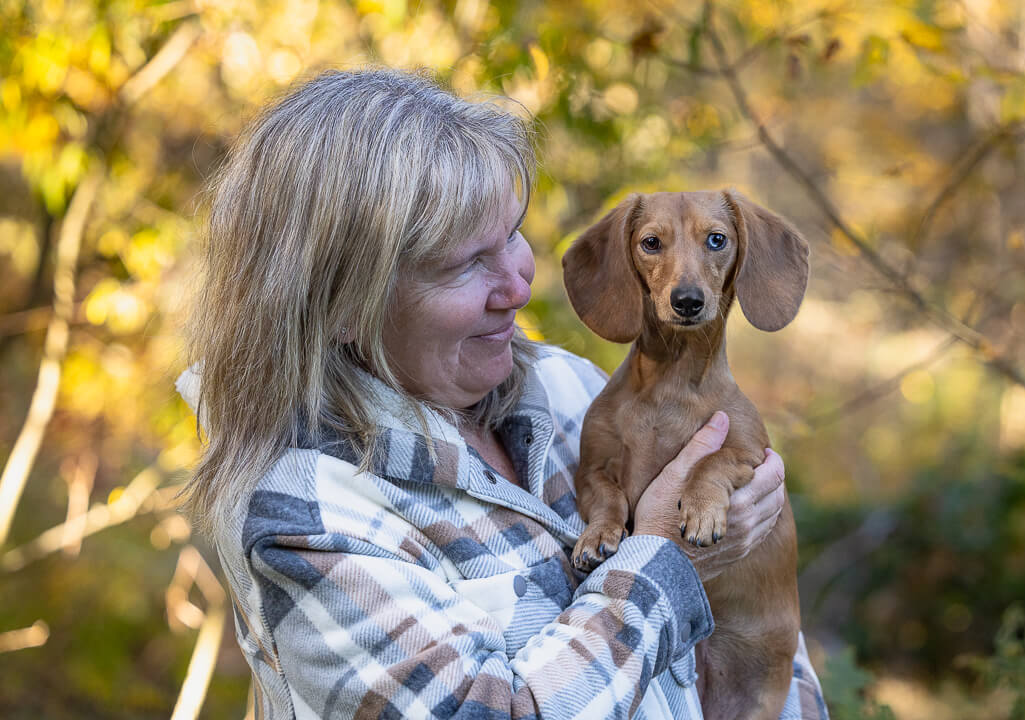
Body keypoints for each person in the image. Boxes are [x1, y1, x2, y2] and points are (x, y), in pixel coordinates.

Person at [179, 67, 828, 720]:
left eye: (511, 234)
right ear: (344, 306)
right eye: (465, 263)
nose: (520, 287)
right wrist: (664, 562)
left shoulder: (569, 388)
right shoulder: (306, 515)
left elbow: (773, 649)